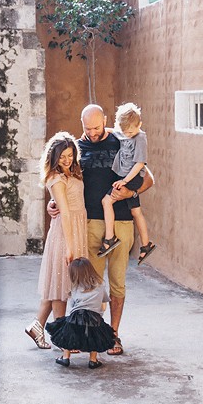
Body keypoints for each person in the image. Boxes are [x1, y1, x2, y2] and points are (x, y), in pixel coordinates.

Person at [49, 104, 153, 356]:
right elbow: (64, 182)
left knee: (118, 283)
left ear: (105, 121)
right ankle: (86, 336)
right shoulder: (76, 149)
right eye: (88, 128)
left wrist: (132, 191)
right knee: (88, 285)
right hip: (90, 224)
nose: (93, 133)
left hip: (122, 222)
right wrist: (54, 203)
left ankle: (114, 336)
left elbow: (149, 178)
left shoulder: (121, 140)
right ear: (81, 124)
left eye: (97, 127)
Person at [25, 131, 89, 350]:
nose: (66, 160)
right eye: (62, 156)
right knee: (61, 287)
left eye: (70, 155)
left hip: (76, 231)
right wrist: (71, 247)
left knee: (58, 284)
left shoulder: (72, 173)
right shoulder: (55, 178)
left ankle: (37, 326)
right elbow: (66, 212)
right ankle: (63, 341)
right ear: (53, 157)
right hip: (65, 233)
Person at [98, 102, 156, 266]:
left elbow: (140, 163)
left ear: (139, 125)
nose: (127, 135)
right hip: (126, 176)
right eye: (124, 132)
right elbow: (113, 131)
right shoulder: (124, 131)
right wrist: (101, 131)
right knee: (136, 211)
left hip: (133, 177)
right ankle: (146, 245)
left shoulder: (140, 137)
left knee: (106, 201)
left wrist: (125, 181)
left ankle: (110, 238)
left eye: (131, 131)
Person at [44, 257, 116, 369]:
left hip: (76, 317)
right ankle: (93, 360)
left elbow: (73, 305)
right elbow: (103, 301)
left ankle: (65, 357)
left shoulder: (75, 287)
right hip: (94, 317)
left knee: (68, 335)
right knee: (95, 336)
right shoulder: (100, 285)